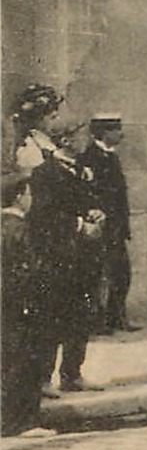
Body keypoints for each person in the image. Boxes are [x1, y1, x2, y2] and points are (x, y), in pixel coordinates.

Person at [29, 113, 106, 394]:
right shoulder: (45, 173)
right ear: (66, 140)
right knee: (52, 318)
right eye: (80, 134)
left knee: (80, 316)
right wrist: (79, 225)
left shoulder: (83, 171)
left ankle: (72, 373)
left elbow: (90, 202)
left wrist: (96, 214)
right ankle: (43, 378)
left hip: (83, 258)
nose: (85, 140)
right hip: (57, 258)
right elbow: (43, 217)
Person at [2, 171, 50, 436]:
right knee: (24, 362)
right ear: (20, 197)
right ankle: (22, 422)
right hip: (22, 307)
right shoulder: (19, 229)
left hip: (7, 308)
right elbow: (26, 272)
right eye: (29, 193)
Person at [82, 112, 137, 333]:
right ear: (104, 132)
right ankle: (97, 320)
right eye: (115, 129)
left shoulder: (111, 156)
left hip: (115, 228)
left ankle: (115, 317)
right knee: (96, 275)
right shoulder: (91, 157)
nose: (120, 133)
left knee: (121, 273)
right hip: (102, 227)